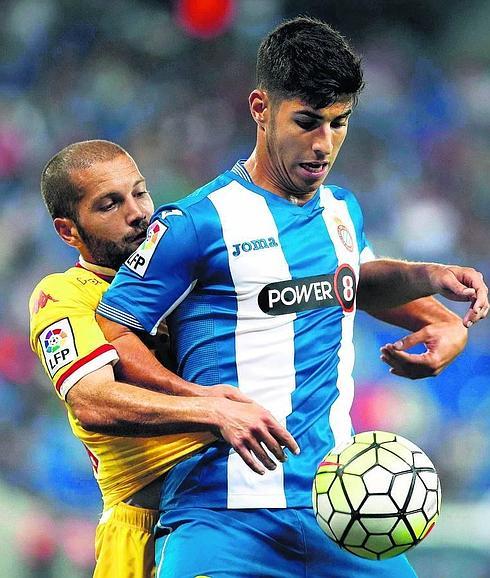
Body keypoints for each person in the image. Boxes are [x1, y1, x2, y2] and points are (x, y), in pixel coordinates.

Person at [96, 16, 488, 578]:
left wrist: (432, 290)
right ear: (260, 108)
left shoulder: (341, 211)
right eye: (307, 122)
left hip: (338, 507)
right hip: (220, 512)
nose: (323, 143)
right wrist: (199, 403)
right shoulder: (194, 223)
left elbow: (358, 277)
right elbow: (117, 329)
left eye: (339, 123)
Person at [29, 139, 299, 578]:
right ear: (68, 231)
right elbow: (93, 401)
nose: (137, 213)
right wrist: (210, 410)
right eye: (109, 205)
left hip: (244, 513)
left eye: (139, 192)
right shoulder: (63, 296)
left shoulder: (192, 271)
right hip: (145, 532)